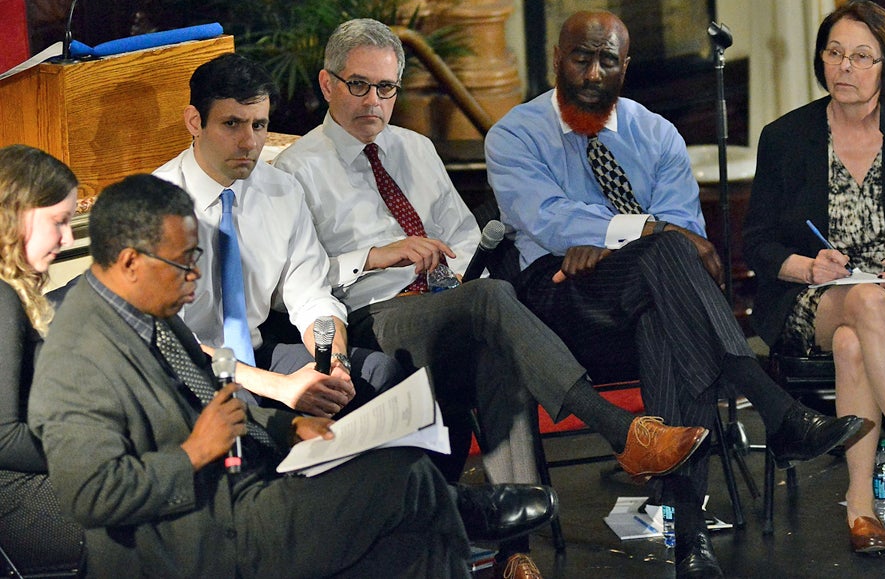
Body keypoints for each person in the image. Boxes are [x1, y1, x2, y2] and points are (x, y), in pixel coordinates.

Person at [273, 18, 709, 578]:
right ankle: (621, 431)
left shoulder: (416, 149)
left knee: (494, 339)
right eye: (359, 85)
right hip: (372, 314)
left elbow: (463, 235)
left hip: (444, 302)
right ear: (327, 84)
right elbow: (297, 282)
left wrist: (447, 268)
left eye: (386, 89)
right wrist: (375, 256)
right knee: (493, 300)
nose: (374, 102)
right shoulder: (296, 169)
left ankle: (515, 554)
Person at [485, 9, 865, 578]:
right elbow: (548, 219)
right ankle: (772, 406)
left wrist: (625, 241)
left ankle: (690, 542)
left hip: (644, 299)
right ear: (556, 60)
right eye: (580, 57)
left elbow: (685, 238)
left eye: (606, 60)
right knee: (662, 257)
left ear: (625, 66)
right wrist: (644, 230)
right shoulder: (514, 133)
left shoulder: (656, 135)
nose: (592, 72)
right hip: (559, 306)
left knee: (665, 310)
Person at [27, 174, 558, 577]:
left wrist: (285, 428)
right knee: (405, 484)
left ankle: (457, 515)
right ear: (129, 261)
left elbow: (216, 398)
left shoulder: (150, 312)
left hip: (244, 488)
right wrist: (195, 452)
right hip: (197, 532)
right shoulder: (78, 353)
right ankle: (466, 513)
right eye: (185, 263)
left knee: (408, 508)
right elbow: (90, 496)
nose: (195, 280)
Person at [743, 0, 885, 554]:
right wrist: (808, 266)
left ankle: (860, 507)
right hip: (810, 298)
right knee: (857, 304)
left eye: (862, 57)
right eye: (835, 53)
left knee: (853, 342)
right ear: (821, 60)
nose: (845, 67)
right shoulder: (785, 137)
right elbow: (758, 242)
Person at [154, 52, 402, 419]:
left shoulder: (281, 190)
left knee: (377, 375)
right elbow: (169, 342)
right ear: (194, 122)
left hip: (255, 354)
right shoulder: (157, 204)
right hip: (187, 368)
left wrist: (332, 359)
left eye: (258, 126)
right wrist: (280, 388)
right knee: (249, 410)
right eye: (232, 124)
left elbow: (312, 297)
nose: (249, 143)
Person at [0, 145, 85, 574]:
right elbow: (3, 438)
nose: (68, 239)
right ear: (16, 216)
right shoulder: (1, 298)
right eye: (59, 222)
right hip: (26, 504)